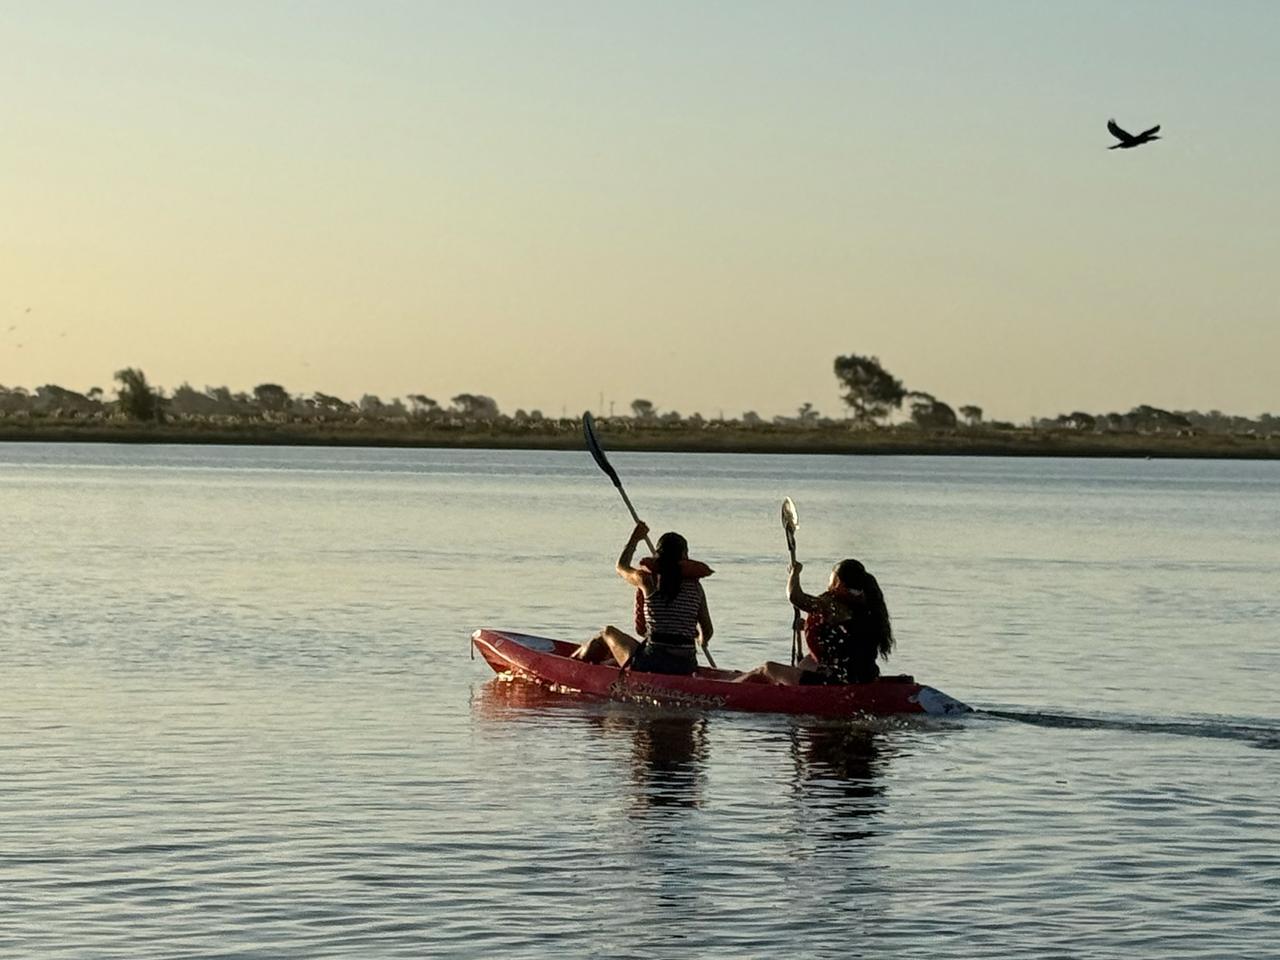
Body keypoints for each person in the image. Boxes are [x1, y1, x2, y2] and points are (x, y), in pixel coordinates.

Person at [569, 522, 713, 675]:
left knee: (607, 632)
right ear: (685, 556)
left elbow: (621, 567)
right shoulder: (696, 588)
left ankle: (570, 667)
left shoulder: (647, 580)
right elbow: (707, 631)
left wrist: (635, 538)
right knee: (628, 651)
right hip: (685, 666)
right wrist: (702, 640)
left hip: (651, 663)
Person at [736, 558, 893, 685]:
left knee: (767, 668)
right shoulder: (867, 606)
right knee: (808, 661)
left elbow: (795, 597)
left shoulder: (833, 603)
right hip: (864, 678)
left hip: (836, 682)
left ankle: (733, 687)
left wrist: (794, 573)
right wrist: (806, 626)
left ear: (838, 581)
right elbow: (848, 638)